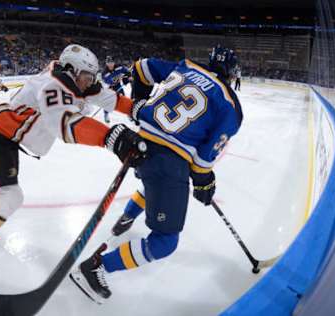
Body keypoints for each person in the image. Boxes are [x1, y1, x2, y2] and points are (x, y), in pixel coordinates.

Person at [70, 46, 243, 303]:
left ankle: (127, 218)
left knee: (151, 187)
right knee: (165, 242)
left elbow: (141, 67)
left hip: (139, 144)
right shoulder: (231, 106)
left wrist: (140, 102)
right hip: (167, 161)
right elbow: (204, 159)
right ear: (230, 72)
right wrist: (205, 183)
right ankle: (96, 267)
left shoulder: (187, 66)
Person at [0, 44, 147, 276]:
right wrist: (110, 138)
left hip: (4, 135)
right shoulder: (52, 85)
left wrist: (140, 110)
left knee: (0, 186)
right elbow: (64, 124)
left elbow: (112, 100)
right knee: (10, 194)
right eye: (87, 77)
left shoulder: (75, 80)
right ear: (71, 70)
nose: (90, 81)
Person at [101, 56, 131, 123]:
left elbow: (126, 71)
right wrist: (110, 86)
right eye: (109, 63)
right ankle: (106, 114)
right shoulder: (105, 73)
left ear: (114, 62)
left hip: (118, 85)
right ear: (106, 63)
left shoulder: (119, 67)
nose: (110, 64)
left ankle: (128, 114)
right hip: (109, 87)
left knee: (124, 99)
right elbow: (105, 83)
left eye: (112, 62)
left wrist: (128, 77)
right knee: (108, 102)